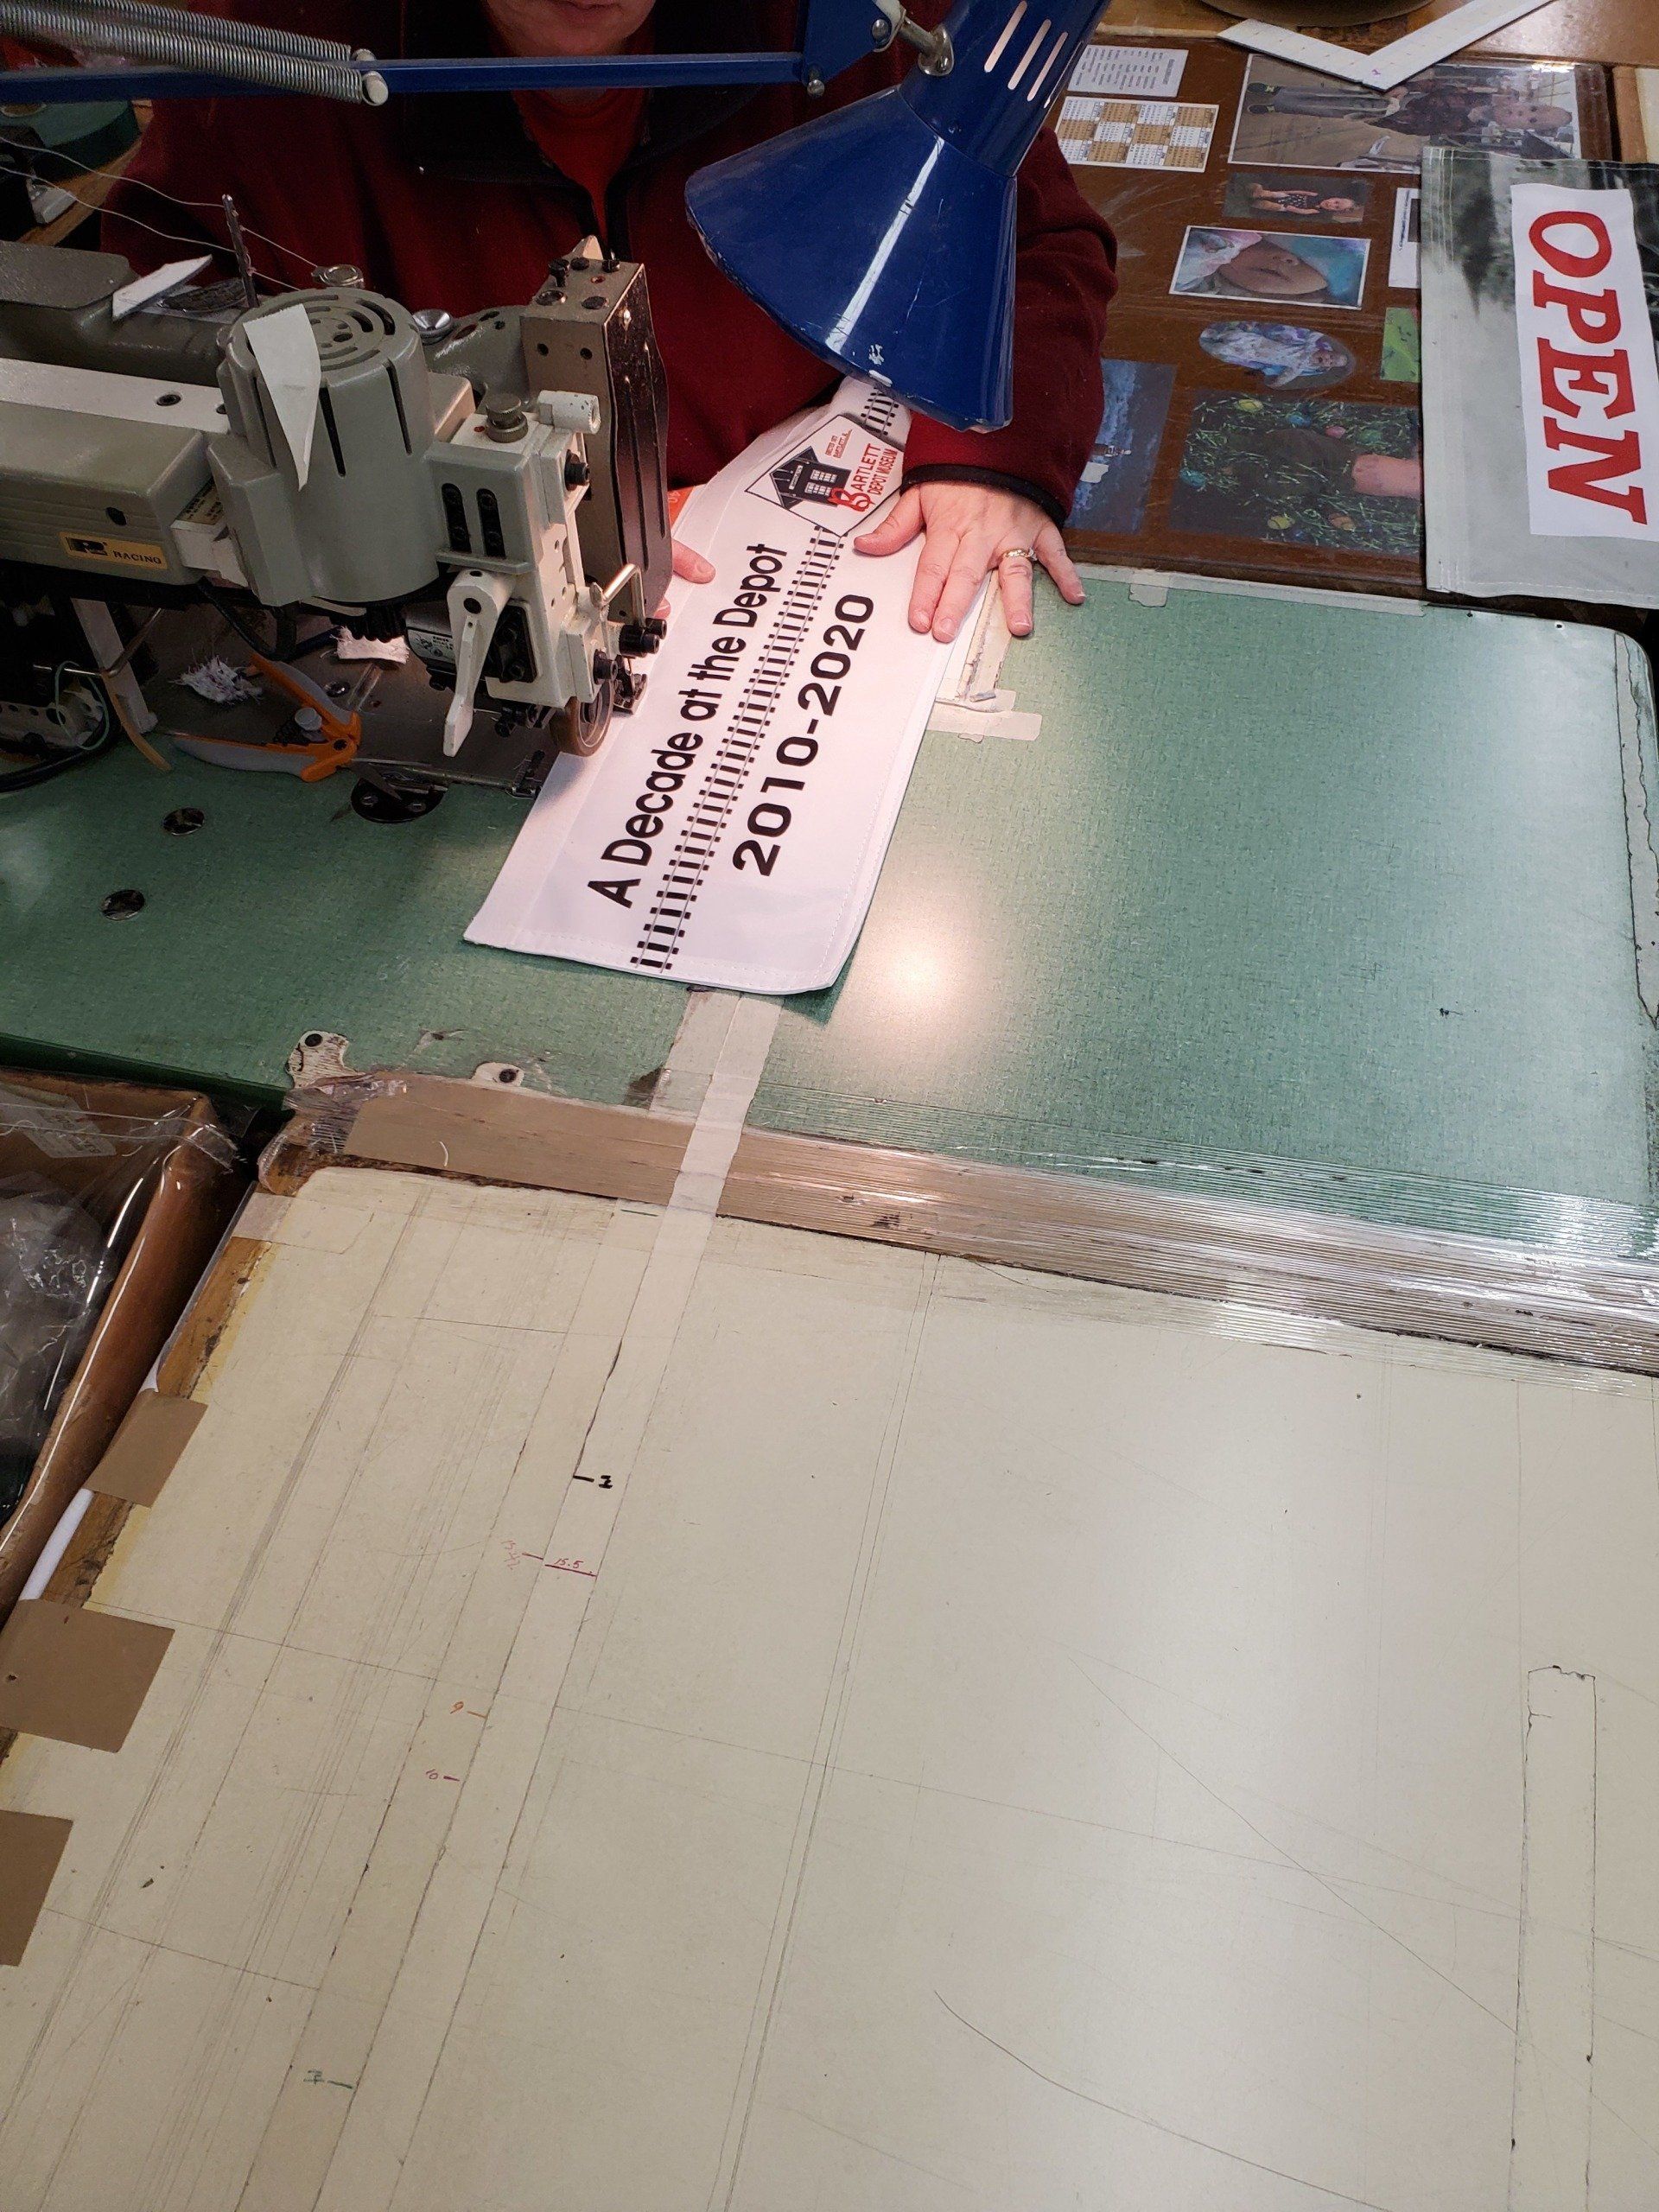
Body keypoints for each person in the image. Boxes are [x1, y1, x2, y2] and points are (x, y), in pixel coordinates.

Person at [101, 0, 1117, 647]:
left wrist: (991, 459)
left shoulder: (858, 23)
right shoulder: (271, 72)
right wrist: (455, 526)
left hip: (817, 554)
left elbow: (1039, 243)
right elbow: (150, 354)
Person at [1176, 230, 1333, 305]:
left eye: (1272, 272)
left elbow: (1184, 264)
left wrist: (1229, 244)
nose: (1289, 259)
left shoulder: (1201, 288)